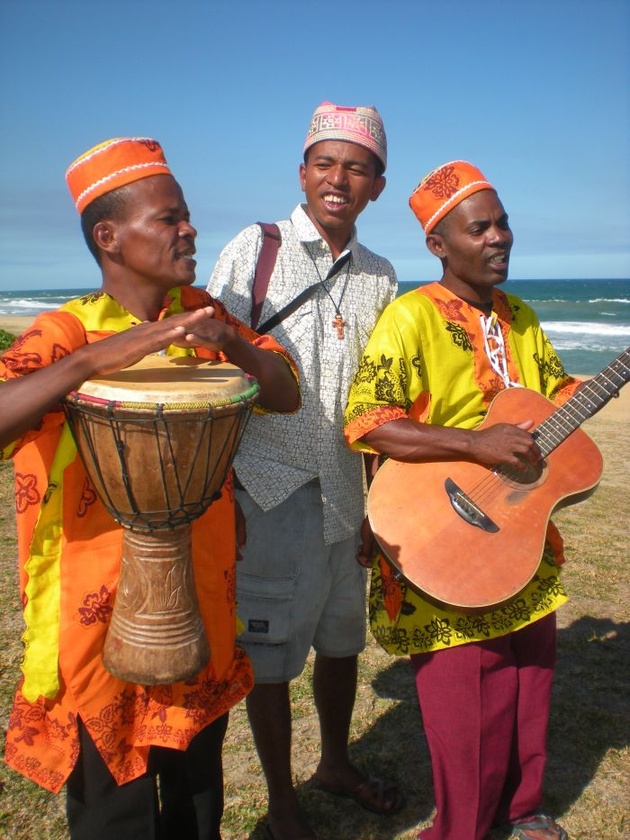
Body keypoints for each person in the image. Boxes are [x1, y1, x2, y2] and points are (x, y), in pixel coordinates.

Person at [0, 136, 300, 840]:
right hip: (97, 620)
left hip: (200, 599)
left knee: (198, 806)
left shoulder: (205, 317)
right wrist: (99, 358)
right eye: (169, 218)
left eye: (186, 216)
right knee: (115, 815)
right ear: (109, 237)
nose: (189, 229)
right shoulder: (66, 329)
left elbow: (284, 394)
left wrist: (230, 343)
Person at [344, 160, 580, 840]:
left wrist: (580, 400)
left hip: (520, 532)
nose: (500, 237)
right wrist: (475, 447)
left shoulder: (523, 318)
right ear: (438, 245)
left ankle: (523, 808)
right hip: (440, 532)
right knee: (465, 696)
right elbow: (369, 421)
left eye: (503, 222)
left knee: (529, 676)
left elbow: (557, 391)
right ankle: (465, 829)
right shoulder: (409, 318)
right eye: (480, 228)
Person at [207, 102, 403, 840]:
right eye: (325, 162)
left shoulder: (382, 276)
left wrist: (378, 504)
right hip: (267, 489)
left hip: (346, 495)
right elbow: (211, 372)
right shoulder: (254, 250)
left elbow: (377, 400)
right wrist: (219, 492)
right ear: (302, 172)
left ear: (376, 186)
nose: (338, 178)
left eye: (356, 167)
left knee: (343, 642)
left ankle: (335, 763)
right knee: (269, 656)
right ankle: (282, 801)